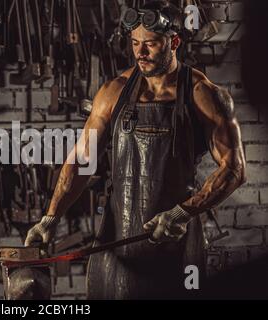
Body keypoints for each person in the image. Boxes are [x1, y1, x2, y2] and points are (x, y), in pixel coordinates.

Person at [24, 0, 246, 299]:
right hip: (117, 244)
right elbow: (80, 160)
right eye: (135, 43)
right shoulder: (113, 91)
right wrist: (50, 218)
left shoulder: (202, 94)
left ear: (174, 42)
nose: (140, 53)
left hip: (174, 244)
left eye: (150, 44)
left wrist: (182, 213)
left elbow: (234, 169)